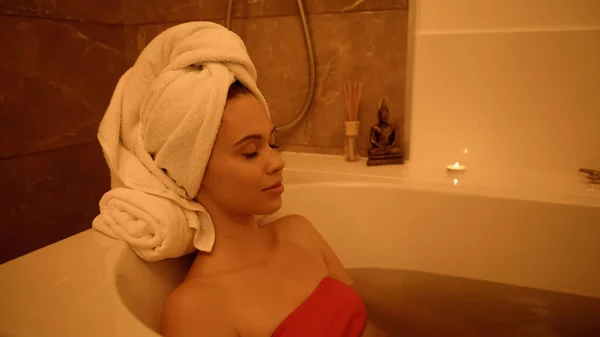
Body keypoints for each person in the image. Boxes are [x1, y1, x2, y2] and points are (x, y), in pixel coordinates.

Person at [160, 81, 387, 337]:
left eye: (273, 144)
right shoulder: (196, 306)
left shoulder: (298, 231)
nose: (278, 162)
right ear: (194, 172)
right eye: (250, 152)